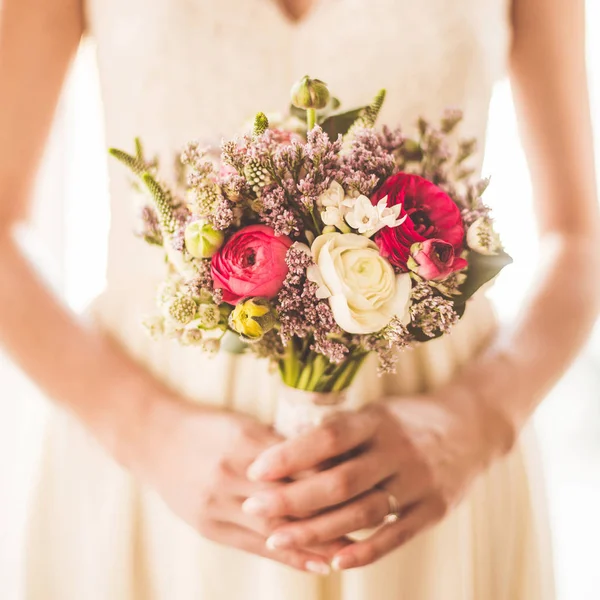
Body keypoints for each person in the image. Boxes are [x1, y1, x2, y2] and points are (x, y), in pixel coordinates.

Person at [0, 0, 597, 598]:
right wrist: (145, 430)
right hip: (152, 451)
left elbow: (578, 237)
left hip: (432, 451)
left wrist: (476, 419)